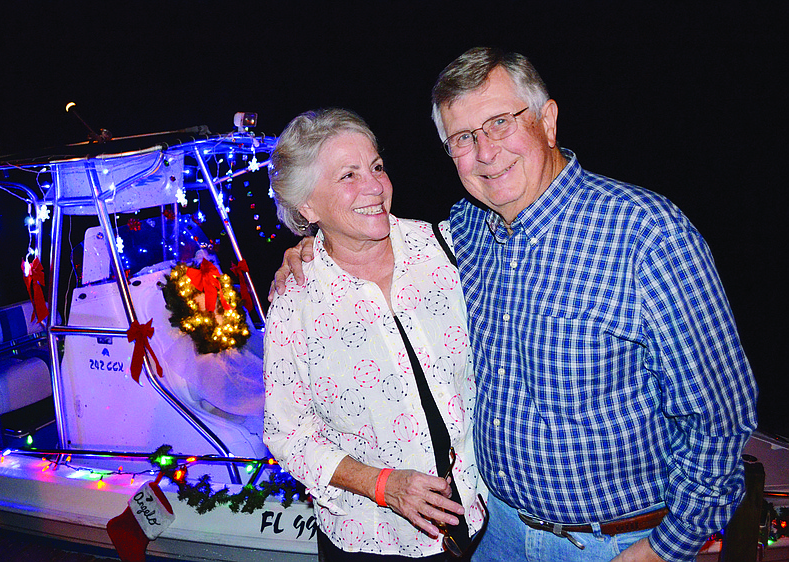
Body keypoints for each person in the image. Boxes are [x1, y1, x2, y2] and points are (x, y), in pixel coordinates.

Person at [270, 48, 758, 562]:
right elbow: (289, 424)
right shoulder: (467, 233)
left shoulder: (644, 234)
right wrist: (313, 247)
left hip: (610, 543)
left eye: (500, 122)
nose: (486, 152)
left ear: (547, 121)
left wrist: (668, 546)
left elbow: (720, 413)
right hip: (496, 533)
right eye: (463, 138)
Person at [262, 108, 487, 561]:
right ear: (307, 206)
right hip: (373, 540)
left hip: (485, 525)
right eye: (349, 175)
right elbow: (288, 433)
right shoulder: (297, 303)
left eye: (377, 167)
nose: (375, 186)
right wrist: (382, 485)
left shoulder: (447, 250)